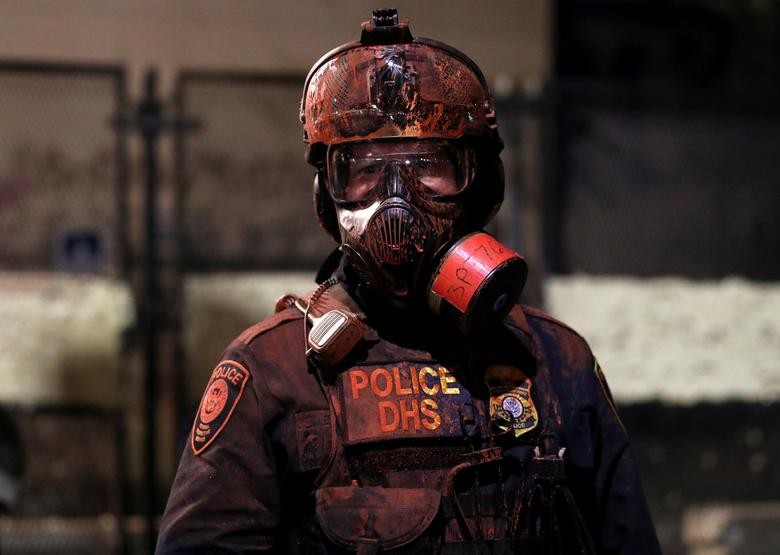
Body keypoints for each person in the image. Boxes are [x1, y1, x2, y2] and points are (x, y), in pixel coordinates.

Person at [157, 9, 660, 554]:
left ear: (476, 184)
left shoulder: (554, 362)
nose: (396, 201)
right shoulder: (273, 372)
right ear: (330, 194)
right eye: (365, 167)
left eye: (429, 164)